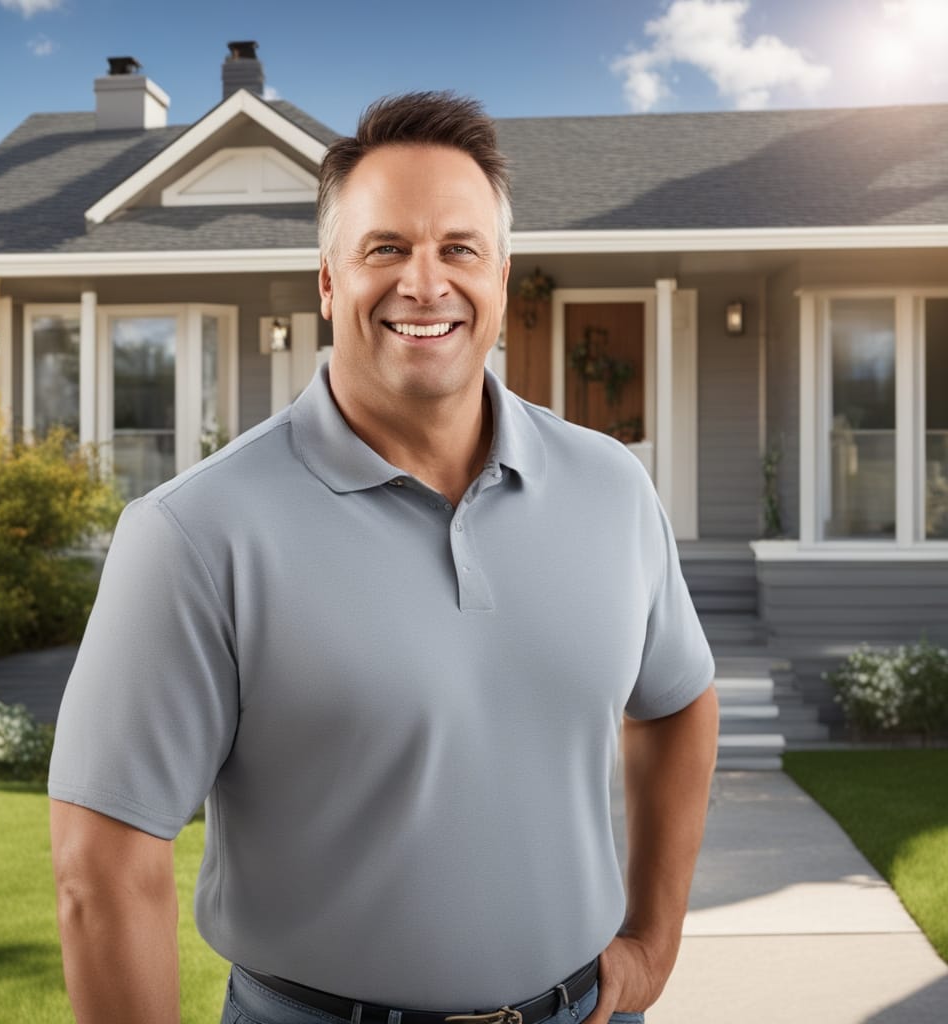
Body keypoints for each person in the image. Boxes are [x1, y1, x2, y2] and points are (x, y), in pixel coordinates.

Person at [49, 91, 719, 1024]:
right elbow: (103, 868)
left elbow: (680, 701)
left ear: (503, 275)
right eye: (385, 249)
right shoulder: (195, 533)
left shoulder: (612, 488)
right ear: (327, 282)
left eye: (459, 248)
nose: (425, 283)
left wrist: (654, 940)